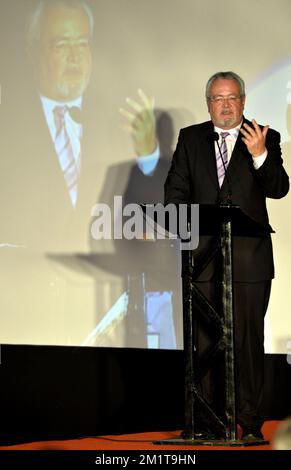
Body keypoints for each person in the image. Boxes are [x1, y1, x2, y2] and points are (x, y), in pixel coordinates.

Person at [164, 71, 289, 441]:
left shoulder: (265, 137)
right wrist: (181, 224)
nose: (225, 105)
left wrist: (259, 155)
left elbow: (279, 188)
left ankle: (250, 425)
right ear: (208, 104)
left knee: (248, 346)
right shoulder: (190, 139)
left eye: (232, 98)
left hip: (250, 263)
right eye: (218, 99)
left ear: (244, 101)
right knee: (204, 344)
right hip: (203, 262)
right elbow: (174, 194)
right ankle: (205, 423)